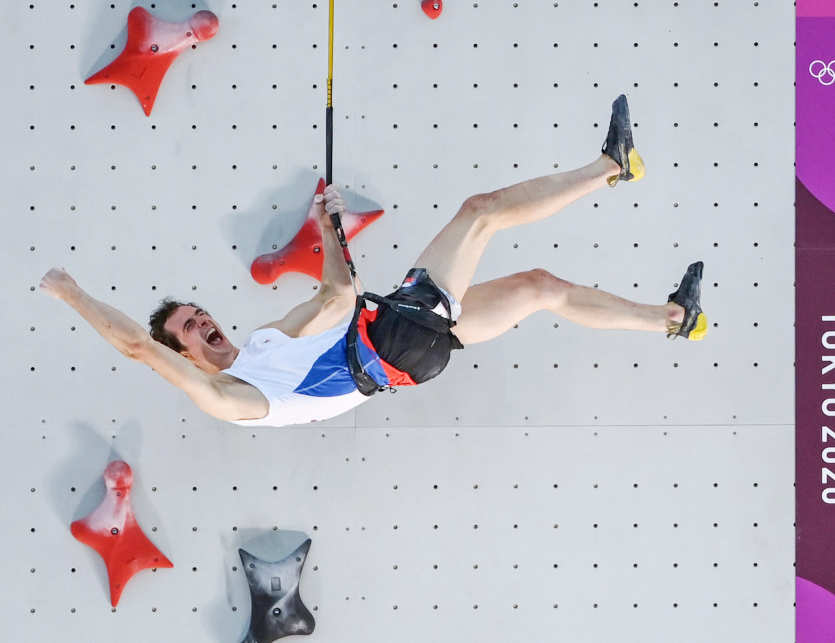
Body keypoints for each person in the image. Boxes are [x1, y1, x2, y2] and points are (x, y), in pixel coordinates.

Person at [40, 95, 706, 427]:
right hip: (392, 339)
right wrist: (72, 293)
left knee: (539, 288)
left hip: (405, 348)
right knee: (480, 211)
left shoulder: (271, 341)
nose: (203, 320)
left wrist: (329, 225)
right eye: (189, 326)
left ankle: (674, 319)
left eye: (199, 312)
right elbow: (133, 346)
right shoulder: (227, 397)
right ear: (182, 354)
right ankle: (611, 166)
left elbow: (337, 294)